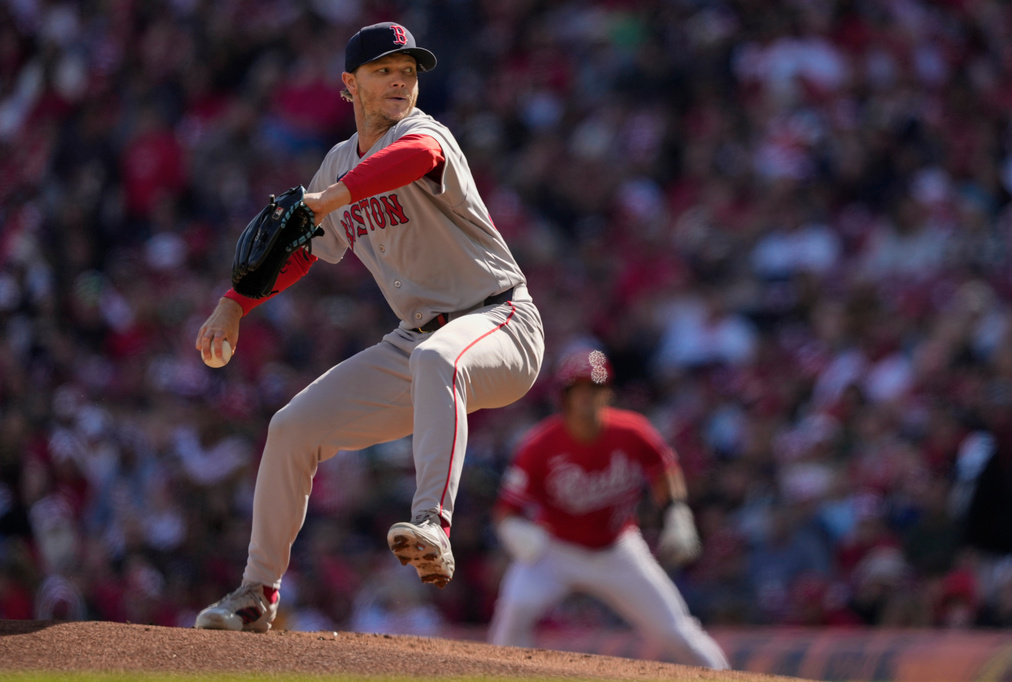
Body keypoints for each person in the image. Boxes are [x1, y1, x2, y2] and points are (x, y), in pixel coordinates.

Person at [192, 21, 545, 631]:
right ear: (348, 86)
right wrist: (233, 303)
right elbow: (302, 248)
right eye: (384, 70)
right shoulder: (337, 161)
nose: (401, 80)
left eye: (407, 71)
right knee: (292, 428)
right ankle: (258, 593)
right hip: (416, 338)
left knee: (440, 359)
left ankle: (433, 524)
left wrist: (327, 199)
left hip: (500, 320)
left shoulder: (421, 132)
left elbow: (416, 160)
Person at [487, 349, 728, 669]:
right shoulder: (538, 445)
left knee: (677, 631)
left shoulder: (632, 432)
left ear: (608, 393)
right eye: (579, 389)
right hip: (556, 550)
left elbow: (664, 468)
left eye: (595, 388)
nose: (588, 397)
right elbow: (507, 509)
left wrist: (676, 511)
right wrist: (514, 531)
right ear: (564, 396)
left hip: (617, 549)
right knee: (510, 622)